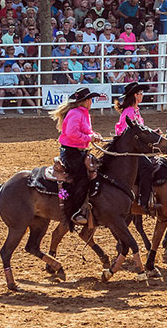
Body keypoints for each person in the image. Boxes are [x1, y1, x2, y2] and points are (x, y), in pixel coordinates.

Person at [49, 87, 103, 228]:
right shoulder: (75, 113)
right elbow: (72, 133)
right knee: (81, 178)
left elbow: (86, 131)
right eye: (90, 99)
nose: (91, 102)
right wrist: (89, 138)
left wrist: (94, 135)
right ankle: (76, 211)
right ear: (84, 101)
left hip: (79, 151)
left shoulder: (83, 113)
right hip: (71, 152)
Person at [114, 81, 157, 212]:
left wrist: (152, 133)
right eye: (140, 93)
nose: (142, 95)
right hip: (130, 151)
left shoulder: (134, 111)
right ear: (135, 95)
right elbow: (130, 134)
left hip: (135, 148)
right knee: (147, 166)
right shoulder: (129, 112)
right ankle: (143, 201)